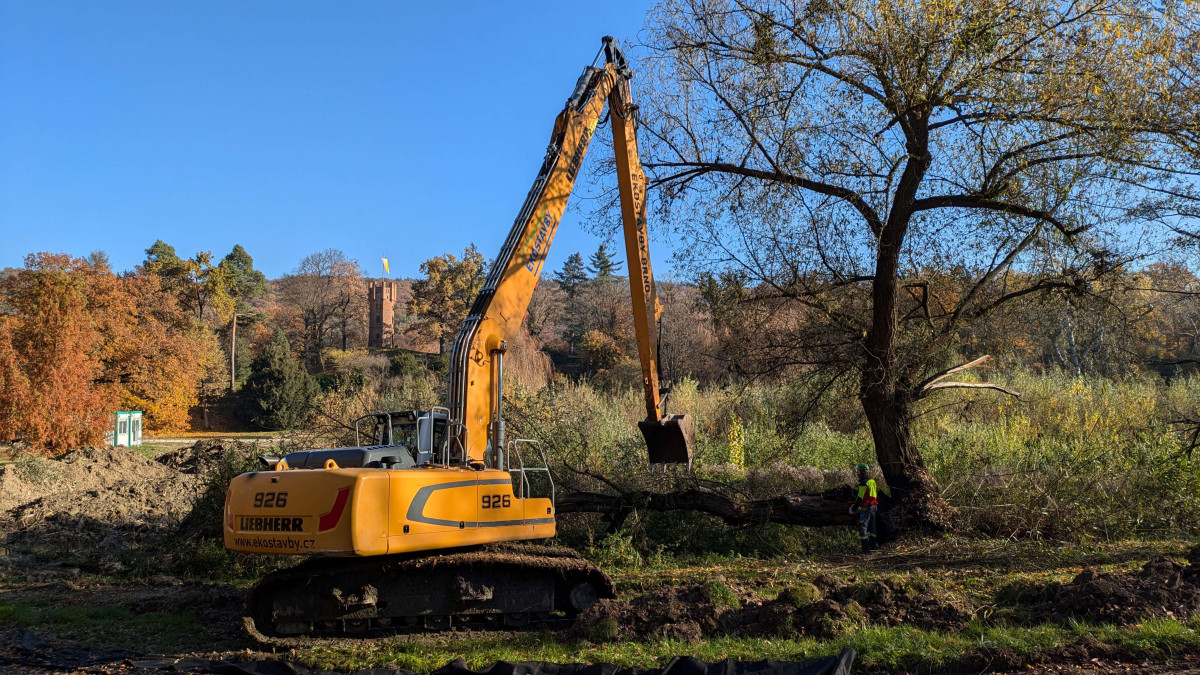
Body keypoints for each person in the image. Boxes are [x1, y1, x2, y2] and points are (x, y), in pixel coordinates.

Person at [849, 462, 878, 553]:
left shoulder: (863, 483)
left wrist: (854, 508)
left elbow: (860, 498)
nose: (857, 473)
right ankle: (873, 547)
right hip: (874, 506)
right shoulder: (872, 481)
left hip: (867, 508)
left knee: (862, 527)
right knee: (873, 527)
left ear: (862, 471)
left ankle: (866, 550)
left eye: (858, 471)